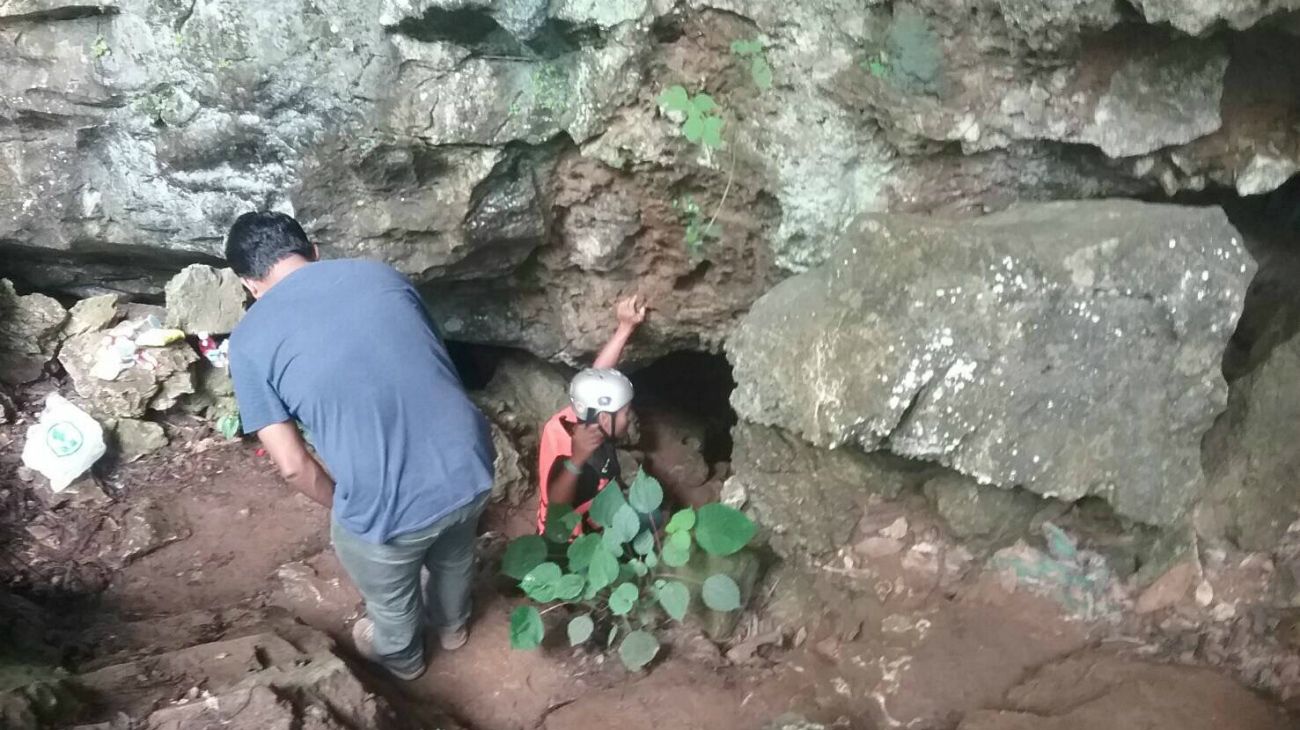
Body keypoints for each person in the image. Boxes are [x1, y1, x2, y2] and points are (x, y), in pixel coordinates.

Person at [224, 211, 494, 682]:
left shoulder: (249, 341)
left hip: (392, 504)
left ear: (249, 284)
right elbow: (431, 357)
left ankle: (404, 658)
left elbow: (291, 464)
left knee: (387, 587)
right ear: (314, 253)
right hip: (471, 463)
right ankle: (454, 627)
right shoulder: (380, 275)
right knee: (454, 552)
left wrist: (346, 505)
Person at [536, 296, 647, 534]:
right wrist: (577, 460)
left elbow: (598, 376)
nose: (629, 418)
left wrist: (625, 328)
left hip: (591, 506)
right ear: (605, 419)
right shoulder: (584, 463)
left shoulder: (580, 415)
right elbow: (558, 504)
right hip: (574, 541)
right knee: (651, 517)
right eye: (625, 412)